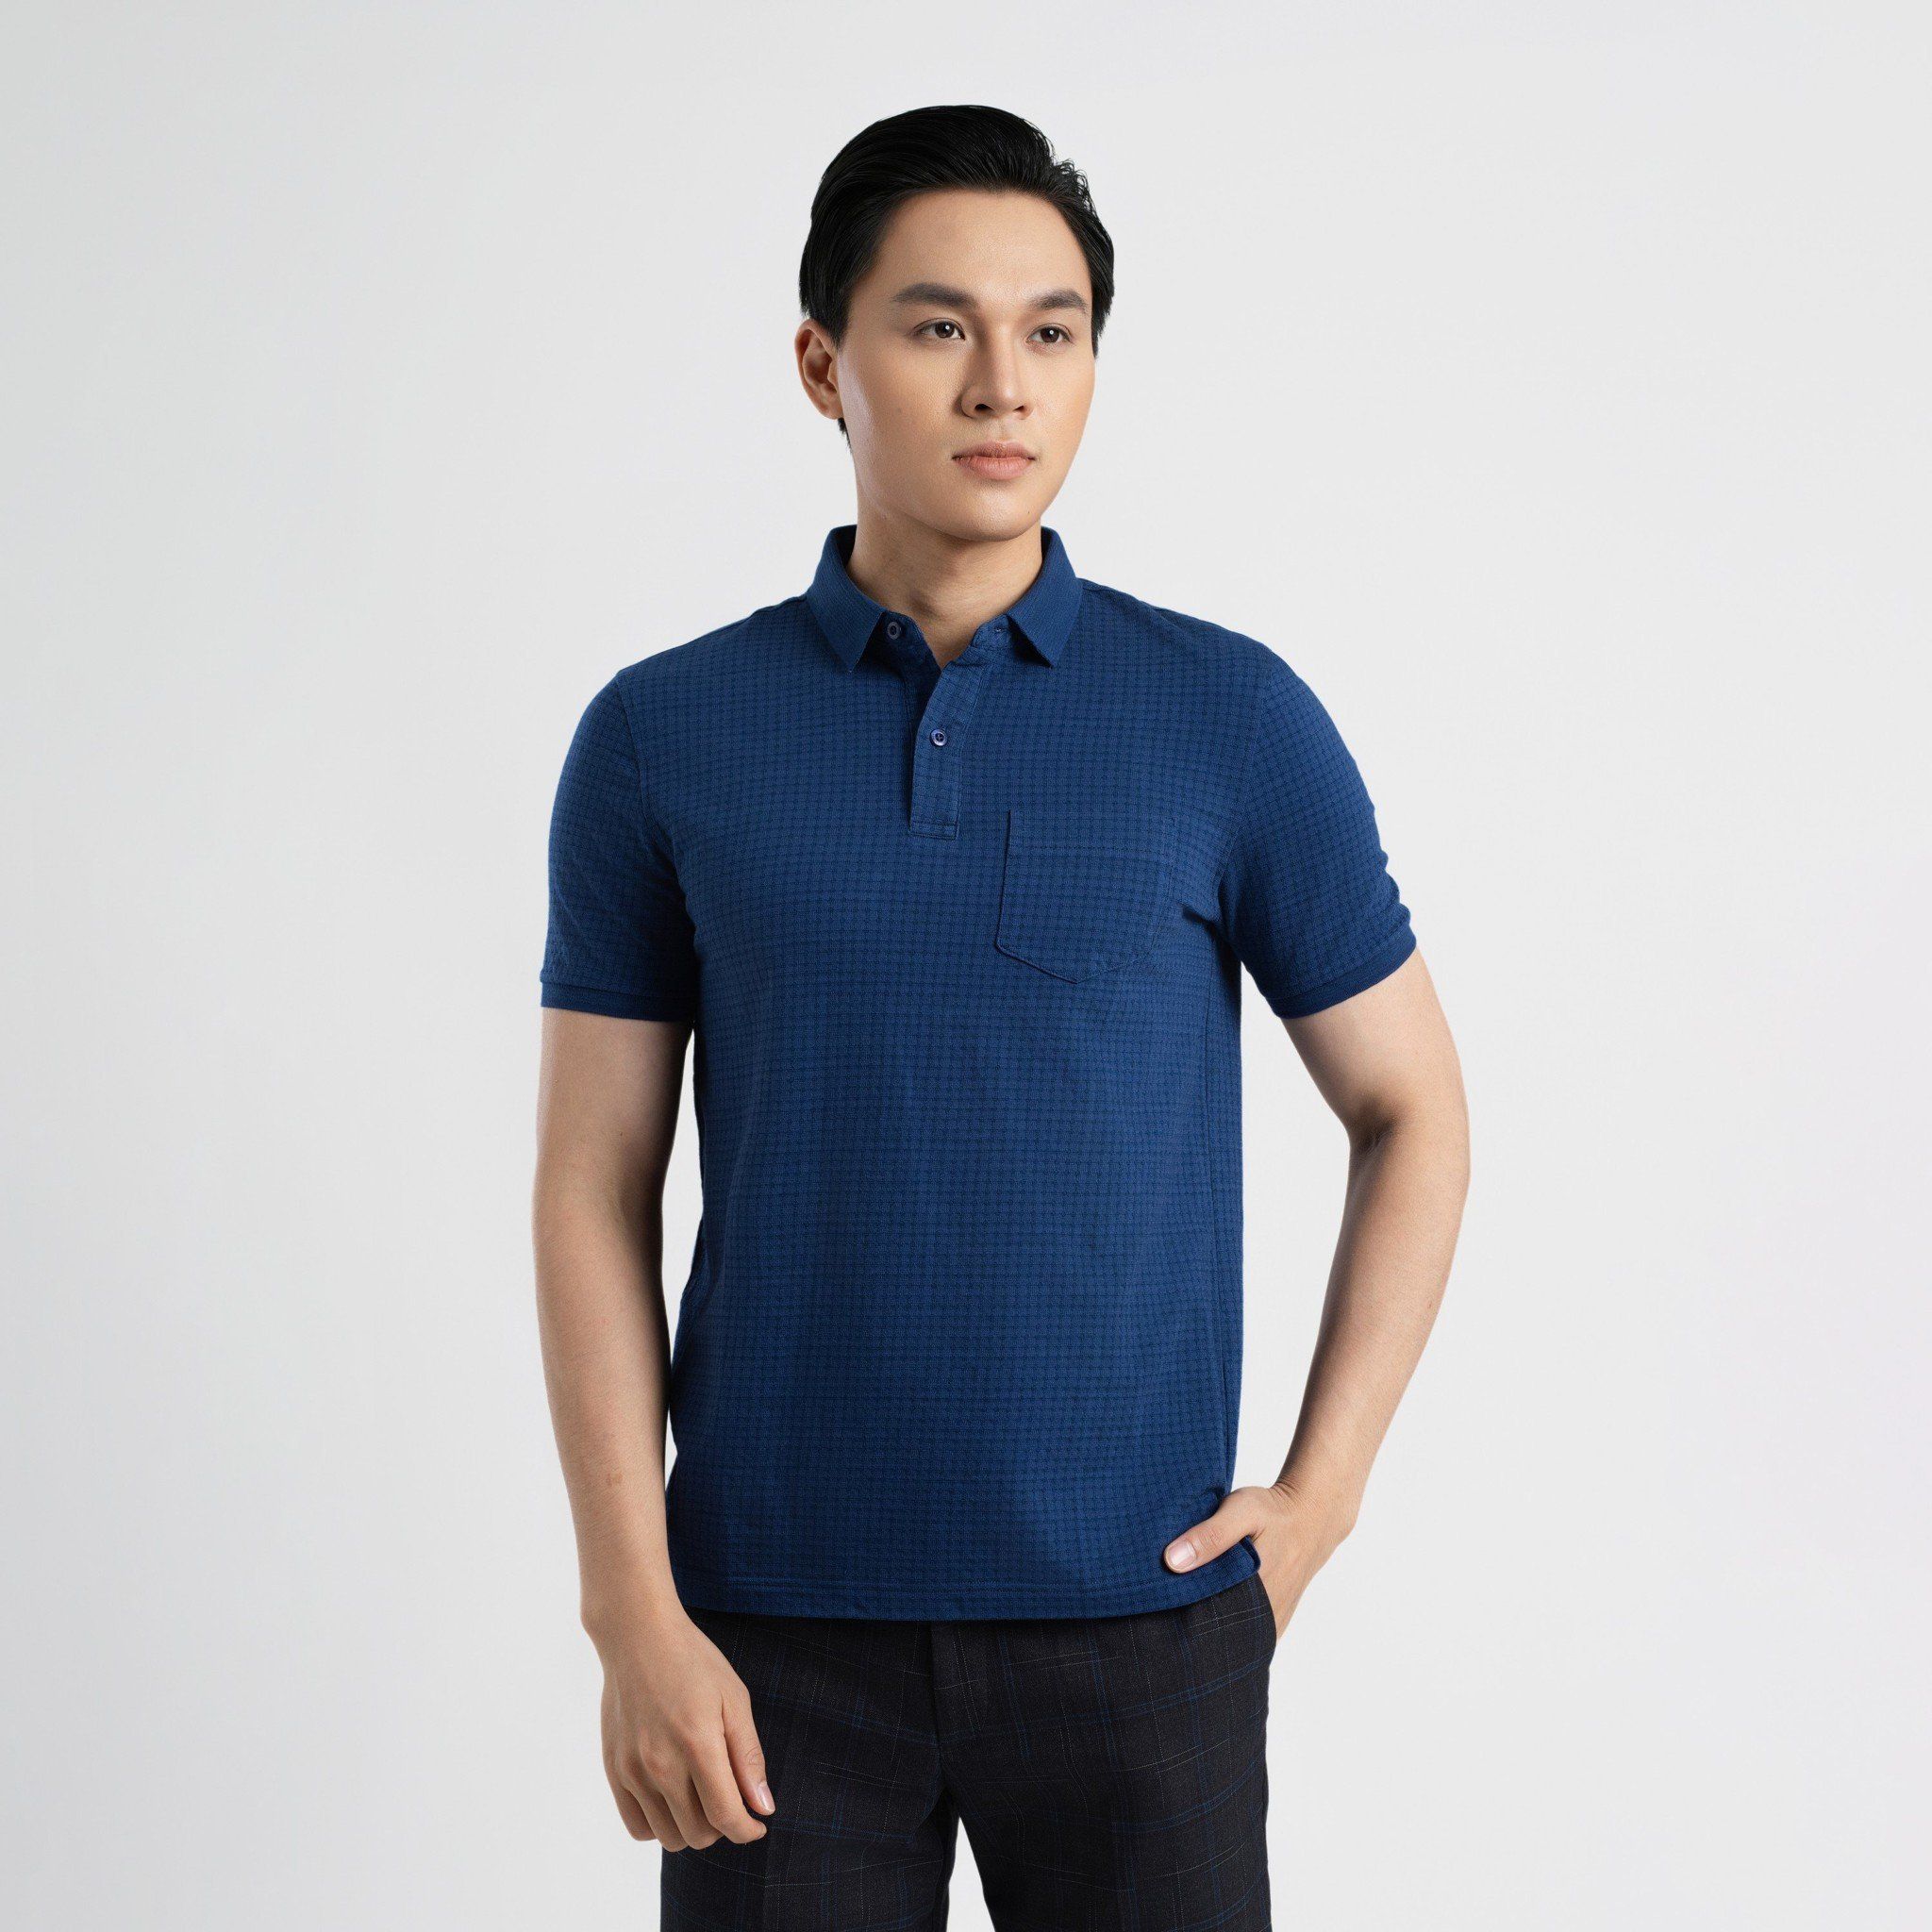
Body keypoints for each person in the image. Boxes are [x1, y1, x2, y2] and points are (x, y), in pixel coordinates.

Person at [532, 103, 1470, 1932]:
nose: (1002, 383)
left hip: (1144, 1620)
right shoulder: (663, 736)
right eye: (938, 325)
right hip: (770, 1644)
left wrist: (1323, 1495)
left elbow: (1413, 1105)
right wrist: (628, 1608)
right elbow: (591, 1185)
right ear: (825, 364)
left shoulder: (1228, 717)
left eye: (1053, 330)